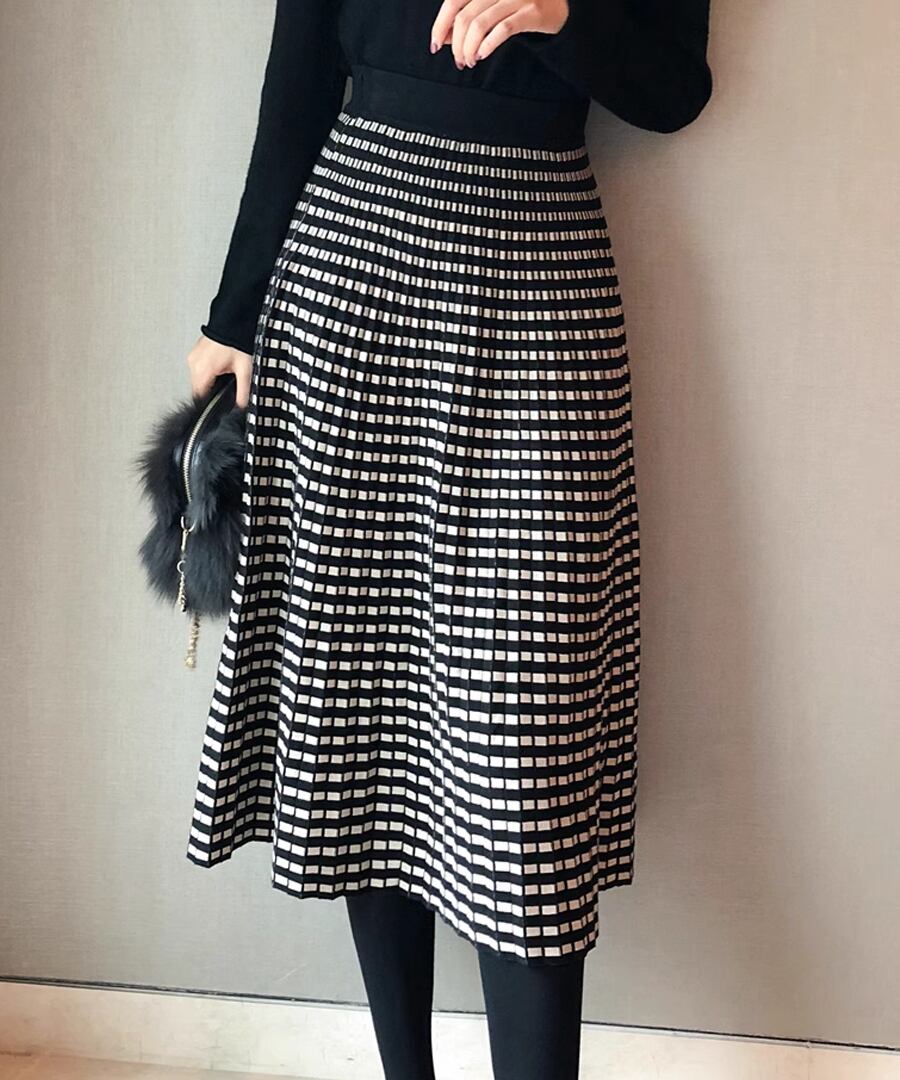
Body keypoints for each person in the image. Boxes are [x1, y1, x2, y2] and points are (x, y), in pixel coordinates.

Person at [184, 2, 713, 1078]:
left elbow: (674, 90)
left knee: (526, 748)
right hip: (350, 282)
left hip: (538, 284)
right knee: (368, 714)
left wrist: (559, 11)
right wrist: (234, 318)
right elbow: (297, 90)